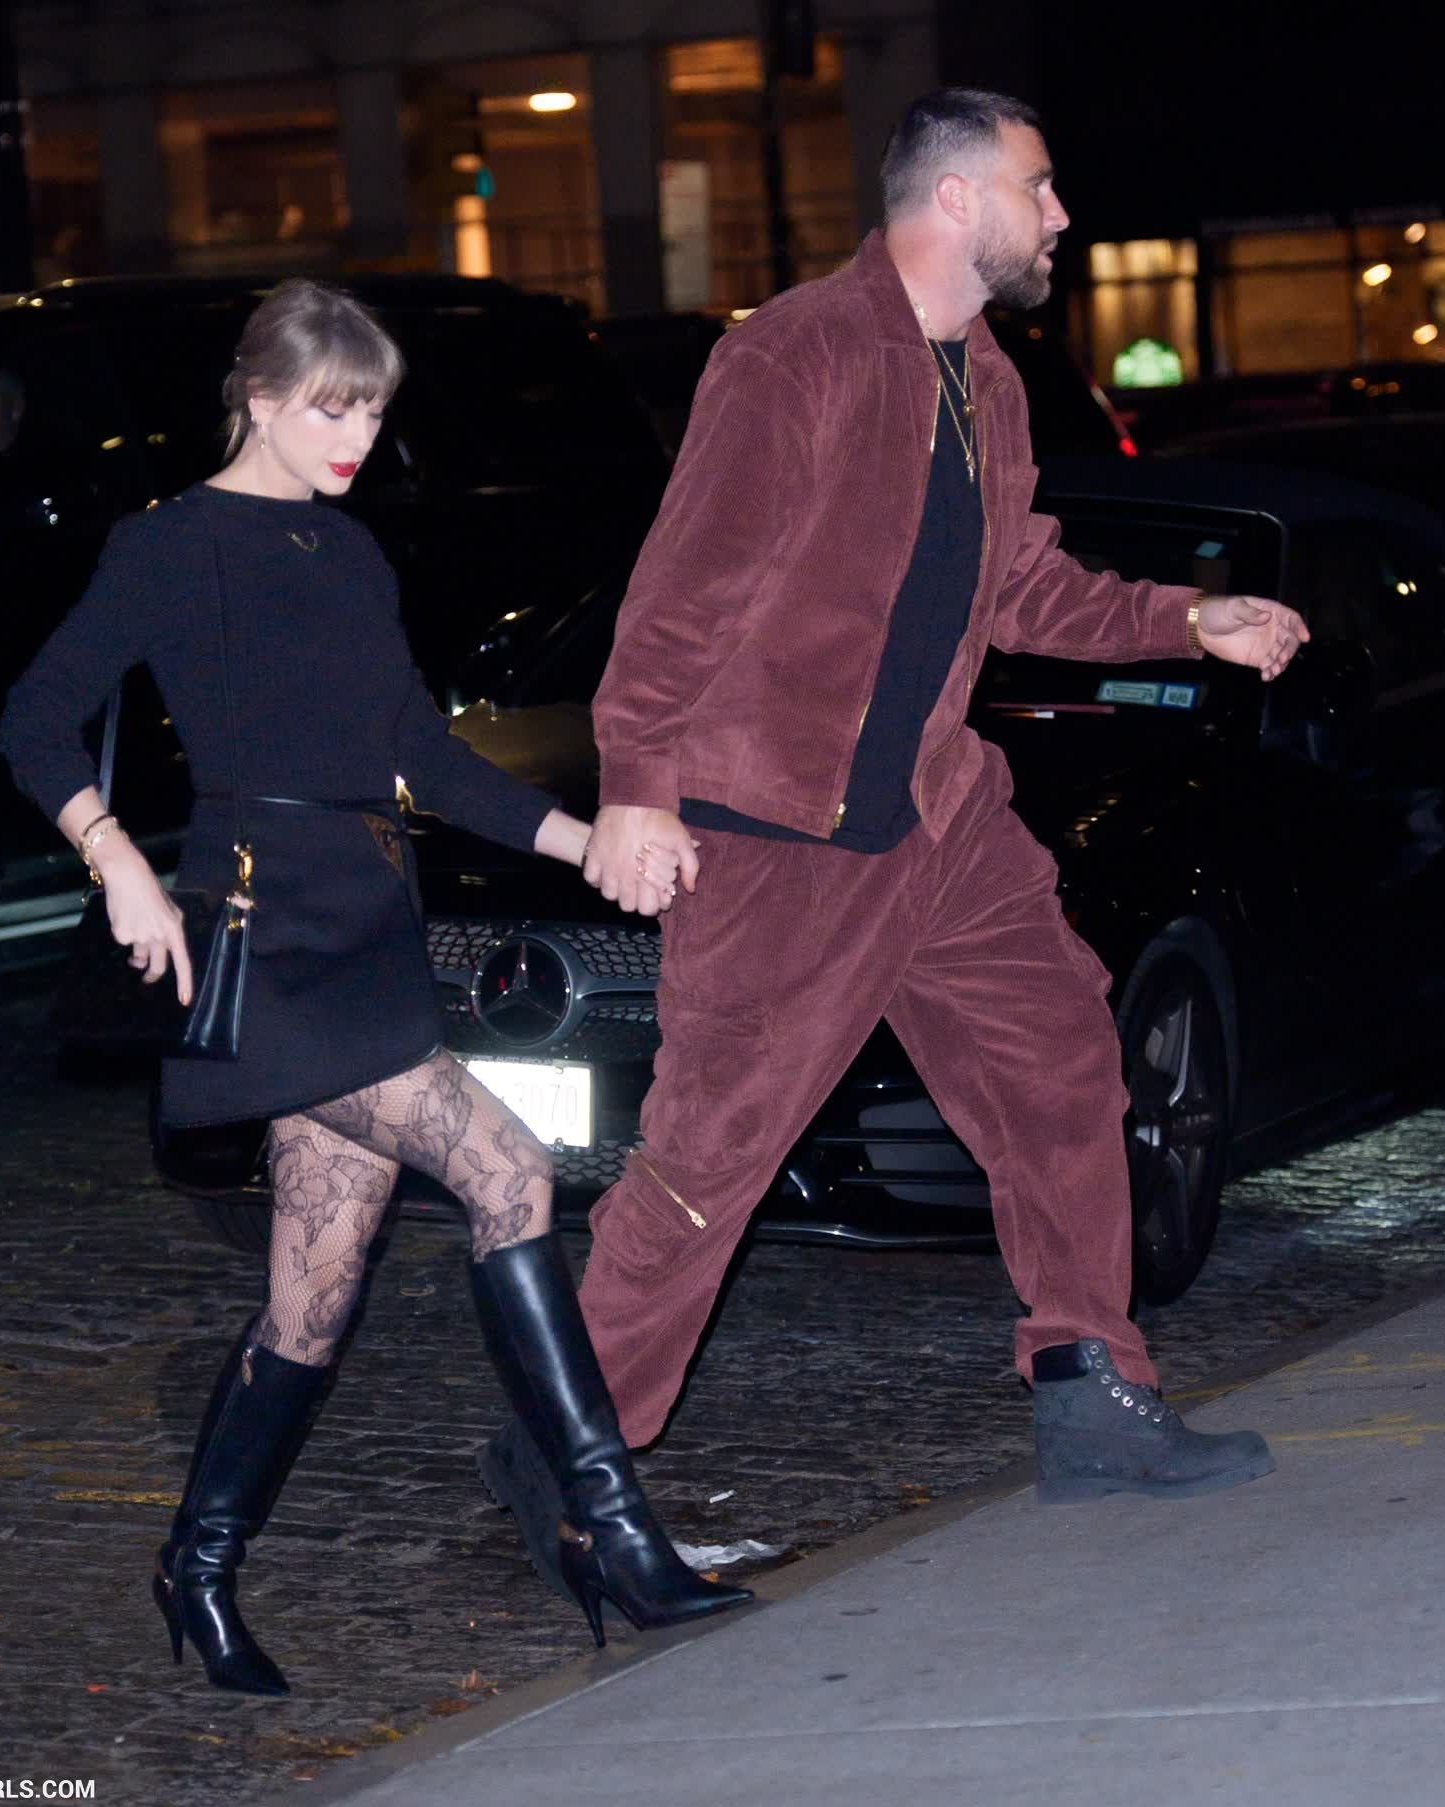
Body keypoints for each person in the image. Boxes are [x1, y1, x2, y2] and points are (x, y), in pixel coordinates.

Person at [480, 89, 1310, 1581]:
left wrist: (1188, 619)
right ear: (955, 198)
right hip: (780, 835)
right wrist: (639, 787)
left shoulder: (984, 377)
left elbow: (1018, 586)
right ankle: (567, 1454)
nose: (1061, 215)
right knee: (713, 1152)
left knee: (1062, 1066)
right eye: (1039, 186)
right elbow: (683, 592)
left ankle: (1089, 1391)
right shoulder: (793, 355)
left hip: (938, 818)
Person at [0, 279, 748, 1697]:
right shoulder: (170, 545)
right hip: (266, 929)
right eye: (332, 409)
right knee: (510, 1170)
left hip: (369, 926)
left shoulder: (347, 551)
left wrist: (585, 839)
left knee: (314, 1295)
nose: (357, 437)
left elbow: (425, 753)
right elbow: (35, 716)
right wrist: (117, 860)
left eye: (375, 411)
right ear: (260, 399)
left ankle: (197, 1569)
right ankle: (610, 1528)